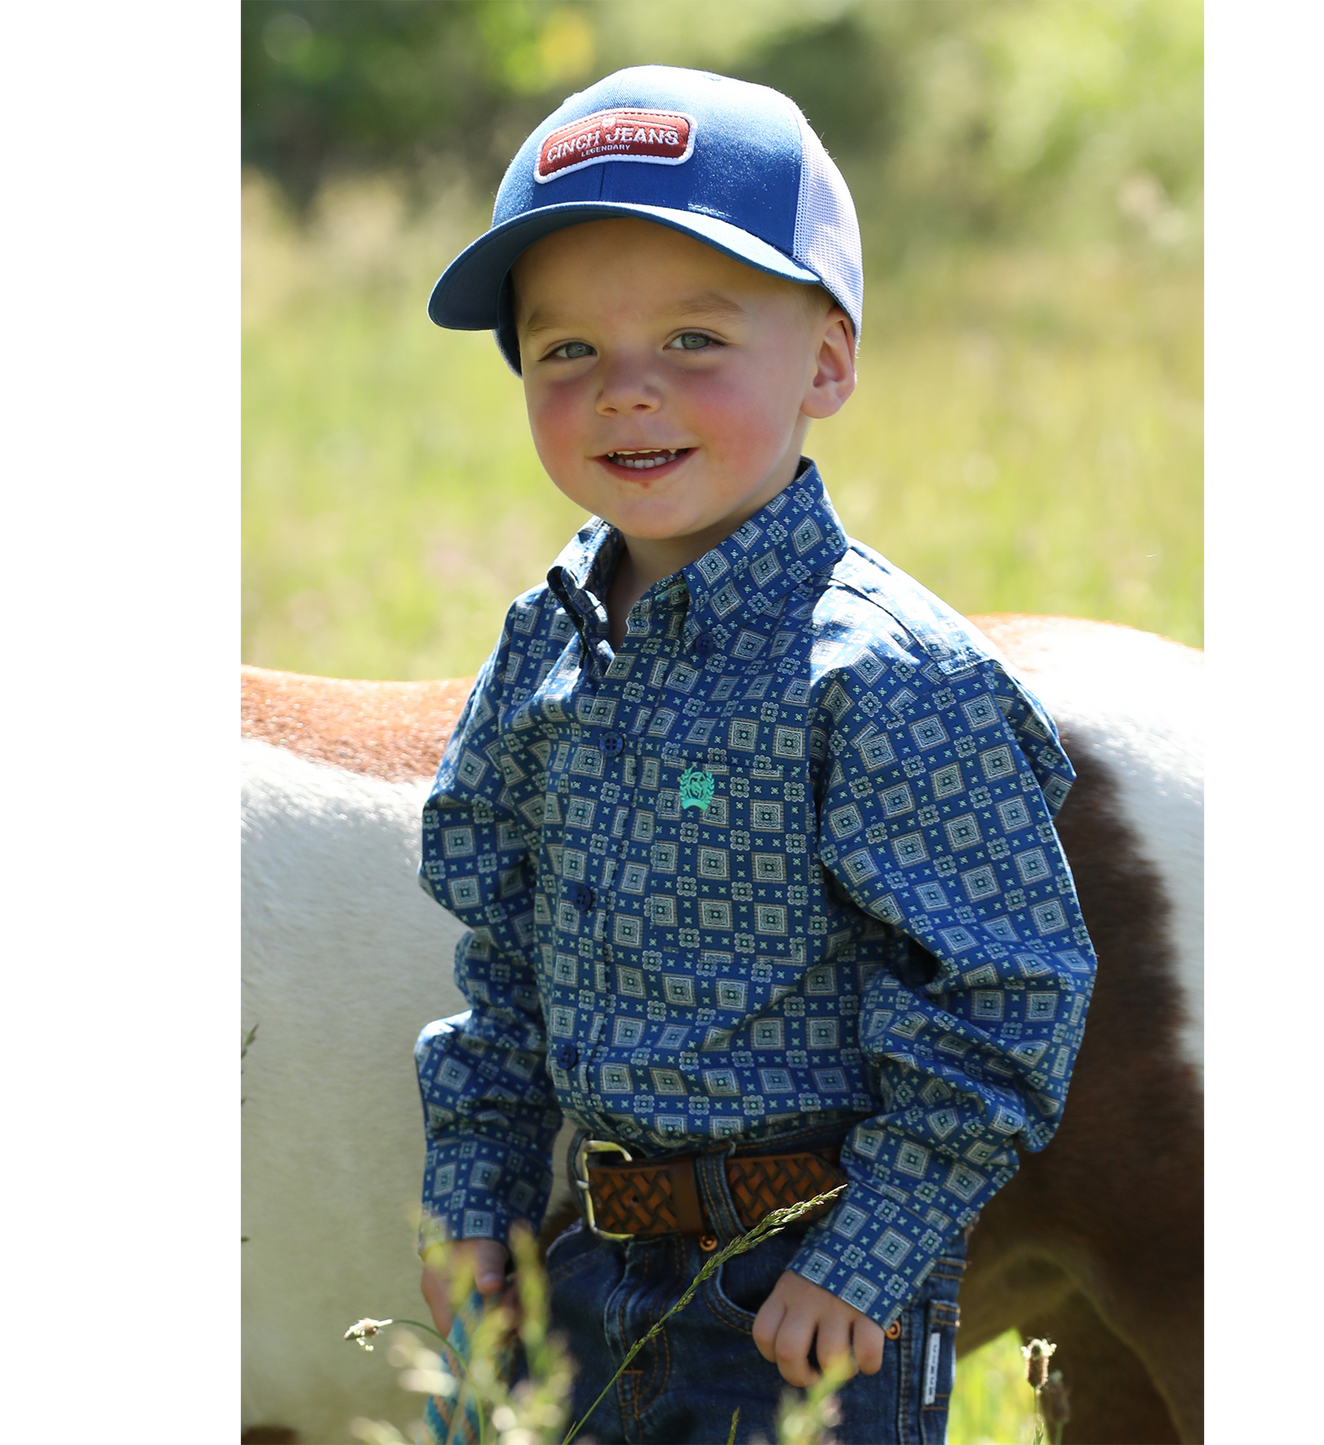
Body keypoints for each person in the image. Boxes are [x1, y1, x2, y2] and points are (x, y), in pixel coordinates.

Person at [412, 65, 1095, 1445]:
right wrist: (478, 1199)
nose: (626, 395)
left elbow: (1011, 990)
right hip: (589, 1266)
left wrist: (871, 1251)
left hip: (802, 1289)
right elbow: (501, 956)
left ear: (828, 361)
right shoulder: (542, 648)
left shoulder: (886, 674)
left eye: (694, 340)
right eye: (566, 354)